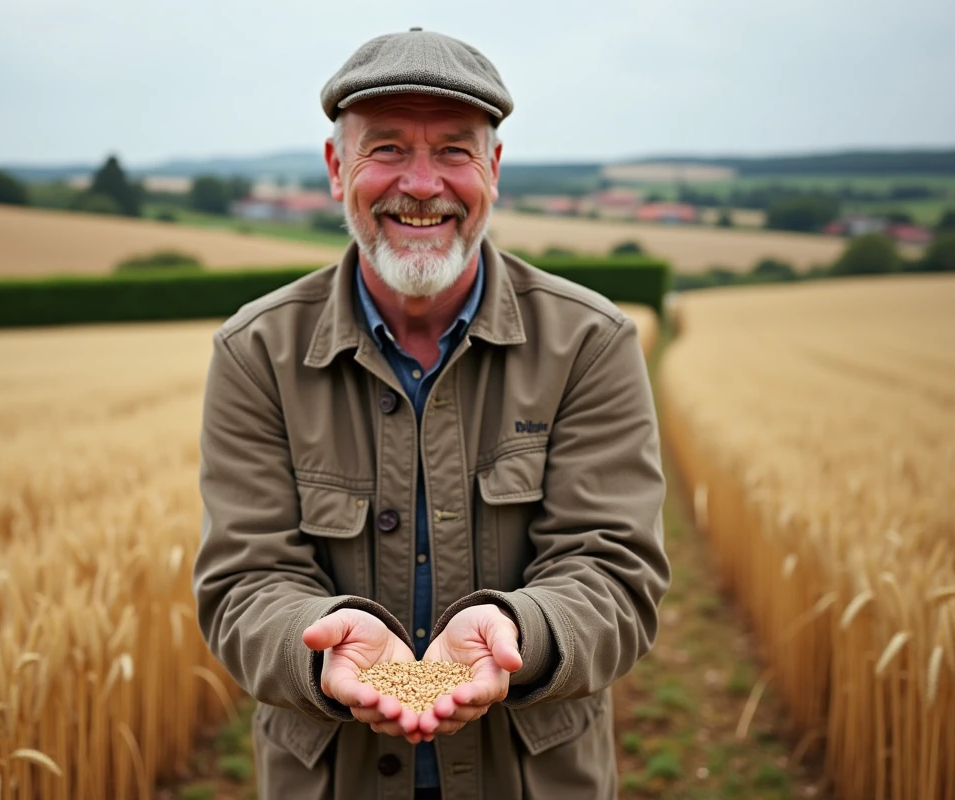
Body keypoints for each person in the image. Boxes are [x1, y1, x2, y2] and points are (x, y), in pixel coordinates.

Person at [192, 27, 671, 800]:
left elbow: (612, 569)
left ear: (494, 170)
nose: (421, 184)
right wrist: (322, 655)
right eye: (385, 148)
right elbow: (246, 582)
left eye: (453, 150)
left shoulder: (591, 341)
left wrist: (520, 637)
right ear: (334, 166)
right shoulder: (257, 352)